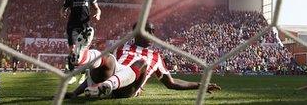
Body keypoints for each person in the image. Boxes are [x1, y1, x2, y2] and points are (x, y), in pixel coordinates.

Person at [65, 22, 221, 98]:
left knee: (142, 63)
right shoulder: (122, 47)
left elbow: (171, 83)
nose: (151, 34)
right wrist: (74, 93)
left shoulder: (155, 56)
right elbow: (101, 69)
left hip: (128, 88)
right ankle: (81, 56)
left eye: (153, 32)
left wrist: (200, 85)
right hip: (112, 76)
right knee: (108, 57)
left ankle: (106, 86)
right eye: (148, 31)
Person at [60, 0, 101, 84]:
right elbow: (63, 8)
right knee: (72, 50)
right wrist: (62, 12)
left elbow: (97, 8)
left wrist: (98, 14)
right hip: (72, 26)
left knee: (83, 52)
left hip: (85, 27)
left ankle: (84, 73)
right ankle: (71, 74)